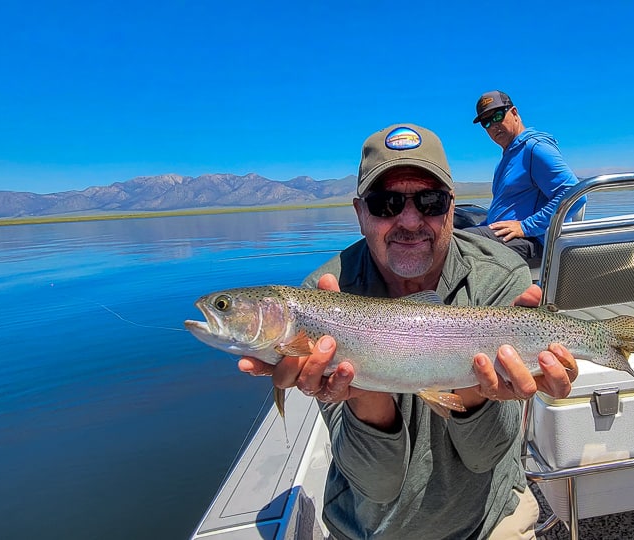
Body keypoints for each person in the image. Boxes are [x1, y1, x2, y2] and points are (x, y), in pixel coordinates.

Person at [237, 123, 578, 540]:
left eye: (430, 201)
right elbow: (377, 484)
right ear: (360, 213)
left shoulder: (500, 275)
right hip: (369, 528)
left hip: (490, 520)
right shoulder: (321, 298)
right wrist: (365, 392)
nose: (410, 220)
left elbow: (486, 456)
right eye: (386, 203)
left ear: (452, 209)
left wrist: (474, 389)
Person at [463, 90, 585, 269]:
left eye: (497, 116)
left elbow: (575, 195)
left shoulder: (535, 148)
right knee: (451, 238)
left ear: (514, 113)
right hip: (510, 238)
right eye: (486, 122)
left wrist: (526, 227)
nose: (493, 125)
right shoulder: (506, 159)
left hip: (534, 243)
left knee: (459, 247)